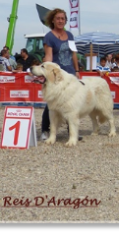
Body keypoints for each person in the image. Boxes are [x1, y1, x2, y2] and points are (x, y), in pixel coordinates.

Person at [40, 8, 81, 141]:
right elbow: (49, 56)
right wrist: (45, 71)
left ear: (65, 21)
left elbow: (73, 54)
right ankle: (46, 130)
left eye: (62, 18)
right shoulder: (49, 37)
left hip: (69, 74)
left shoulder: (70, 35)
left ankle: (72, 132)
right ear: (53, 20)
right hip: (55, 75)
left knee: (71, 104)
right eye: (58, 18)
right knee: (51, 103)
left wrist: (77, 70)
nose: (60, 21)